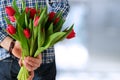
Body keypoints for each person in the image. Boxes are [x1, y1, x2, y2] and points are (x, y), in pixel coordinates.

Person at [0, 0, 70, 80]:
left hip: (41, 61)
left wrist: (35, 46)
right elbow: (62, 4)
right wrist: (12, 45)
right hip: (7, 60)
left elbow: (62, 4)